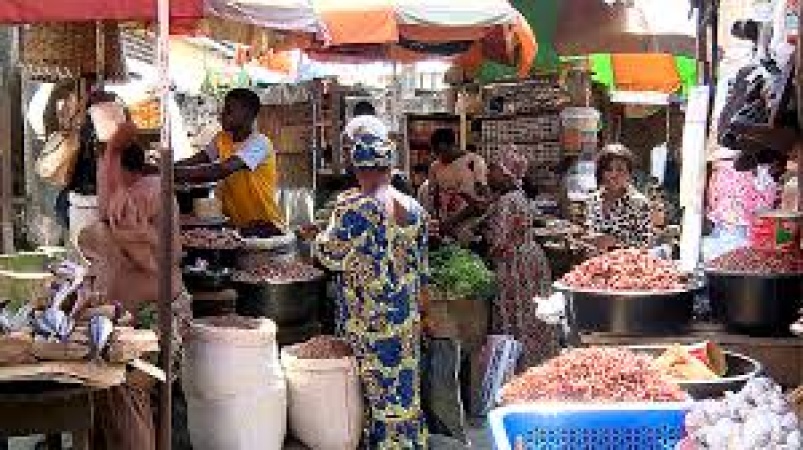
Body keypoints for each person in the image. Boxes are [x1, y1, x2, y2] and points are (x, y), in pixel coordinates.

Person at [78, 123, 191, 450]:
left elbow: (154, 257)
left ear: (120, 169)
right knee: (108, 394)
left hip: (156, 318)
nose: (101, 180)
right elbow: (96, 243)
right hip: (124, 316)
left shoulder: (151, 191)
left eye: (105, 170)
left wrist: (115, 144)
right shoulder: (119, 201)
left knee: (128, 391)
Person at [315, 133, 429, 448]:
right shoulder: (415, 207)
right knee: (403, 390)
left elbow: (328, 254)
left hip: (368, 319)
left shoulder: (357, 209)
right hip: (404, 316)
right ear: (389, 167)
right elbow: (421, 266)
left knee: (372, 393)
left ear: (358, 170)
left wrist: (324, 227)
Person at [485, 146, 559, 371]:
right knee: (531, 318)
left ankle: (518, 367)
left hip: (515, 265)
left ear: (506, 172)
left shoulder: (508, 201)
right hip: (530, 259)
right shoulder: (518, 196)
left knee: (516, 317)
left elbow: (499, 243)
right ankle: (537, 364)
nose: (489, 174)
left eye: (493, 169)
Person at [175, 88, 284, 236]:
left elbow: (221, 170)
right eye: (223, 110)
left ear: (248, 115)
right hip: (234, 227)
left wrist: (173, 173)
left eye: (229, 111)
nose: (222, 115)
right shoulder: (221, 138)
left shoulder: (260, 143)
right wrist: (166, 167)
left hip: (265, 226)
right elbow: (196, 161)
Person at [426, 128, 489, 244]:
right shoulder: (435, 167)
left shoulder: (475, 162)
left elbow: (482, 203)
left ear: (451, 145)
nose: (439, 156)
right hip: (444, 230)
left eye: (441, 151)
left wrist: (453, 221)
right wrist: (437, 221)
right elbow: (433, 196)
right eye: (436, 152)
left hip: (470, 228)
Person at [585, 144, 653, 251]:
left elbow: (645, 243)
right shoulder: (593, 199)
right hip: (595, 264)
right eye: (608, 169)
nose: (613, 174)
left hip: (624, 265)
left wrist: (615, 241)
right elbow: (589, 232)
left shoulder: (639, 203)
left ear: (629, 174)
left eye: (620, 169)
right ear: (601, 173)